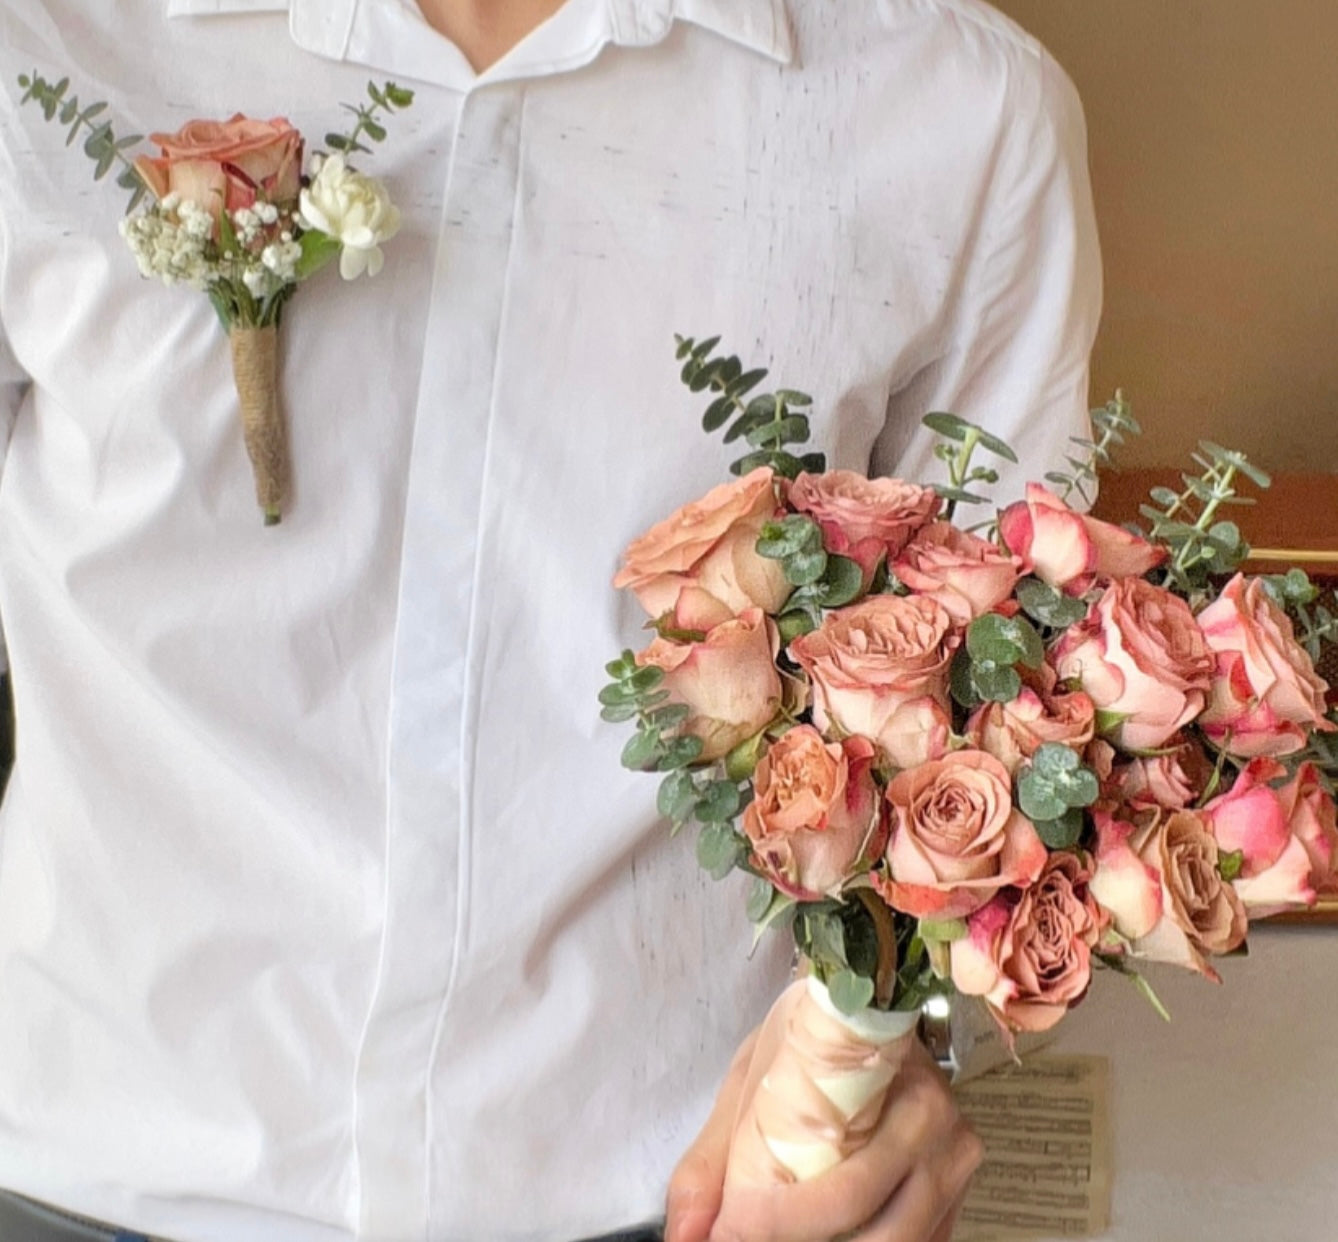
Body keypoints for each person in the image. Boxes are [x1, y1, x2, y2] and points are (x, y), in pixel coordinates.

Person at [0, 1, 1100, 1240]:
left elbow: (1015, 727)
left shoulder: (961, 114)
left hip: (677, 1201)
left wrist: (905, 1039)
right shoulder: (42, 41)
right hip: (69, 1170)